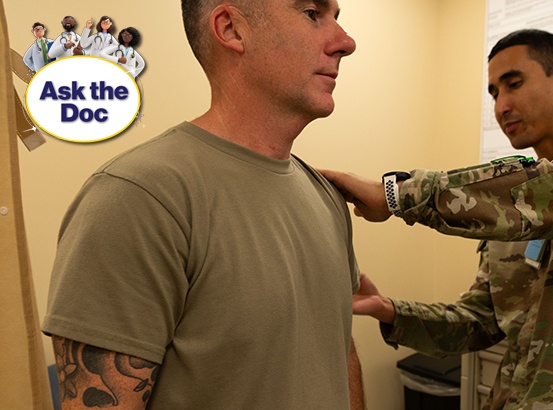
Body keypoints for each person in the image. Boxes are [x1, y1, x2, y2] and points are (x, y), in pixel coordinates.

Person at [322, 29, 553, 410]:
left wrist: (398, 194)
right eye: (494, 93)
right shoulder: (508, 208)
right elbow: (481, 320)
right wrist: (388, 309)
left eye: (514, 84)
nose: (501, 105)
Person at [42, 1, 362, 409]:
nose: (345, 42)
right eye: (312, 13)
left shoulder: (324, 194)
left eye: (338, 17)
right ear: (231, 29)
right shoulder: (139, 197)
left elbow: (337, 353)